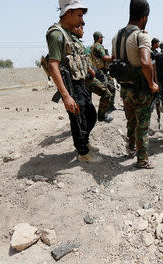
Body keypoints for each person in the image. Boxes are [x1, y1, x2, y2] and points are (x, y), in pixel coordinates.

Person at [46, 0, 101, 163]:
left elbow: (77, 57)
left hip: (79, 82)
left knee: (90, 115)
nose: (82, 21)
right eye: (79, 15)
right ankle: (83, 152)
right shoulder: (57, 34)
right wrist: (66, 95)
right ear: (68, 13)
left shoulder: (70, 34)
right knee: (78, 119)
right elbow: (53, 65)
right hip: (70, 85)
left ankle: (85, 142)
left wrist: (88, 68)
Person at [111, 0, 159, 169]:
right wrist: (152, 83)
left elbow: (114, 61)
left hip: (125, 89)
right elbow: (146, 63)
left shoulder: (116, 36)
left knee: (130, 121)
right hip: (140, 90)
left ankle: (131, 147)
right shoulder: (141, 36)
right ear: (144, 17)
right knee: (143, 125)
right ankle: (143, 160)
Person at [90, 31, 117, 121]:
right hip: (102, 72)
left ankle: (108, 107)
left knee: (108, 89)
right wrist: (114, 58)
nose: (102, 40)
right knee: (111, 88)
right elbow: (104, 58)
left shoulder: (92, 47)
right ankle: (108, 108)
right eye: (102, 38)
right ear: (99, 38)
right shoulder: (98, 46)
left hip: (97, 70)